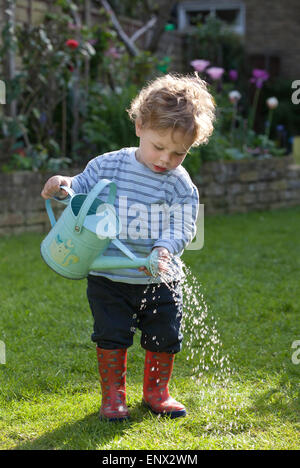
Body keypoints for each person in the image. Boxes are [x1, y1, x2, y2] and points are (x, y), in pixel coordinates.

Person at [41, 73, 215, 421]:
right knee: (111, 335)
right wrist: (63, 184)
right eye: (158, 146)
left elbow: (183, 226)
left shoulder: (180, 184)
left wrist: (163, 249)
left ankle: (156, 392)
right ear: (139, 126)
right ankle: (114, 398)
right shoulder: (108, 165)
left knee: (165, 335)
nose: (165, 159)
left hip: (159, 277)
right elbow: (81, 189)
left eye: (178, 152)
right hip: (108, 275)